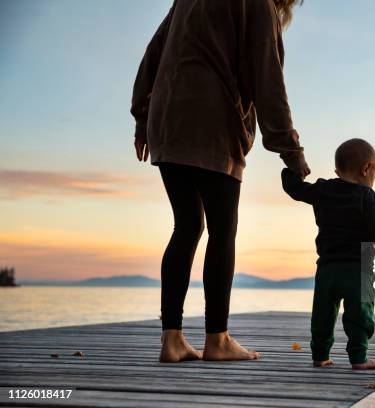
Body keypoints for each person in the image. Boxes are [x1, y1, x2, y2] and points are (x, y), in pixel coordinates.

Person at [130, 0, 310, 363]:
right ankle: (218, 339)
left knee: (187, 225)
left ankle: (172, 338)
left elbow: (154, 50)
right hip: (212, 121)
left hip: (167, 119)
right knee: (222, 229)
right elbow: (268, 80)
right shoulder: (259, 5)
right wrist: (291, 151)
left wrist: (142, 116)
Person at [281, 138, 375, 369]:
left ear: (337, 169)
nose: (373, 181)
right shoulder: (367, 197)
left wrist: (291, 171)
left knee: (322, 314)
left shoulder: (323, 190)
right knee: (359, 315)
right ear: (366, 169)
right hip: (358, 270)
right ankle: (358, 358)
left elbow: (295, 190)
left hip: (327, 268)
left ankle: (320, 356)